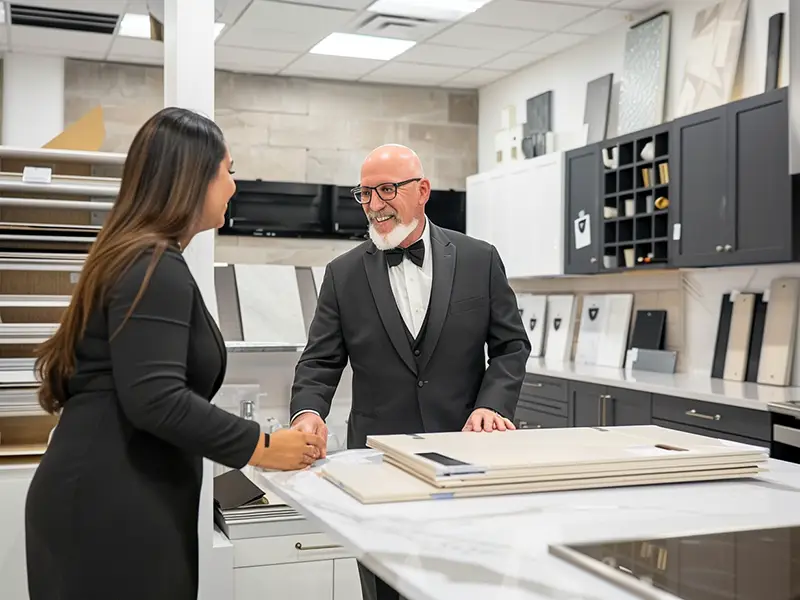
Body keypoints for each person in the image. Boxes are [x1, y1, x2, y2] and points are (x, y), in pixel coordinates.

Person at [25, 107, 326, 600]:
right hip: (112, 506)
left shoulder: (140, 255)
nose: (233, 185)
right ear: (192, 178)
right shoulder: (153, 264)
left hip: (118, 493)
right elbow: (157, 398)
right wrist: (264, 447)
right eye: (228, 170)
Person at [289, 144, 531, 600]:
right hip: (377, 464)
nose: (374, 205)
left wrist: (491, 405)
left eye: (386, 190)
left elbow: (510, 346)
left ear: (422, 191)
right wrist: (306, 413)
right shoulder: (343, 274)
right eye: (364, 193)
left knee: (463, 583)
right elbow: (320, 360)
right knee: (383, 589)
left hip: (464, 456)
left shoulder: (480, 259)